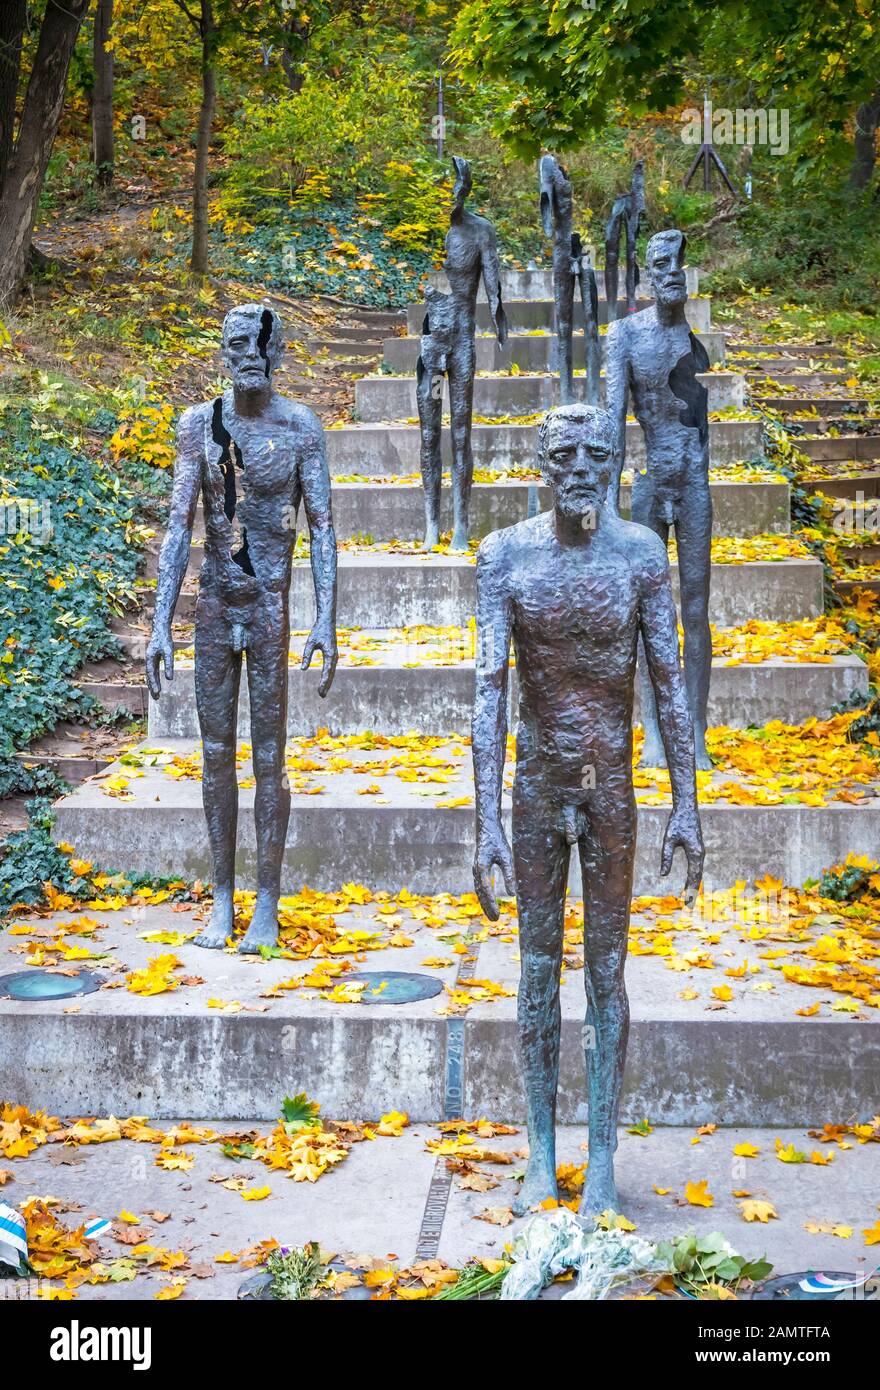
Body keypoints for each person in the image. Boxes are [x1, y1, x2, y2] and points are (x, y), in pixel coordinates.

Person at [146, 304, 338, 952]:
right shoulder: (199, 426)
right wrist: (158, 623)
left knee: (269, 757)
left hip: (269, 607)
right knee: (216, 755)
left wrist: (326, 619)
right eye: (237, 344)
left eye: (259, 344)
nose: (248, 354)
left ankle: (267, 899)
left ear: (277, 350)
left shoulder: (301, 428)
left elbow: (323, 527)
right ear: (223, 351)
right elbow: (178, 527)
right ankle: (222, 897)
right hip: (214, 605)